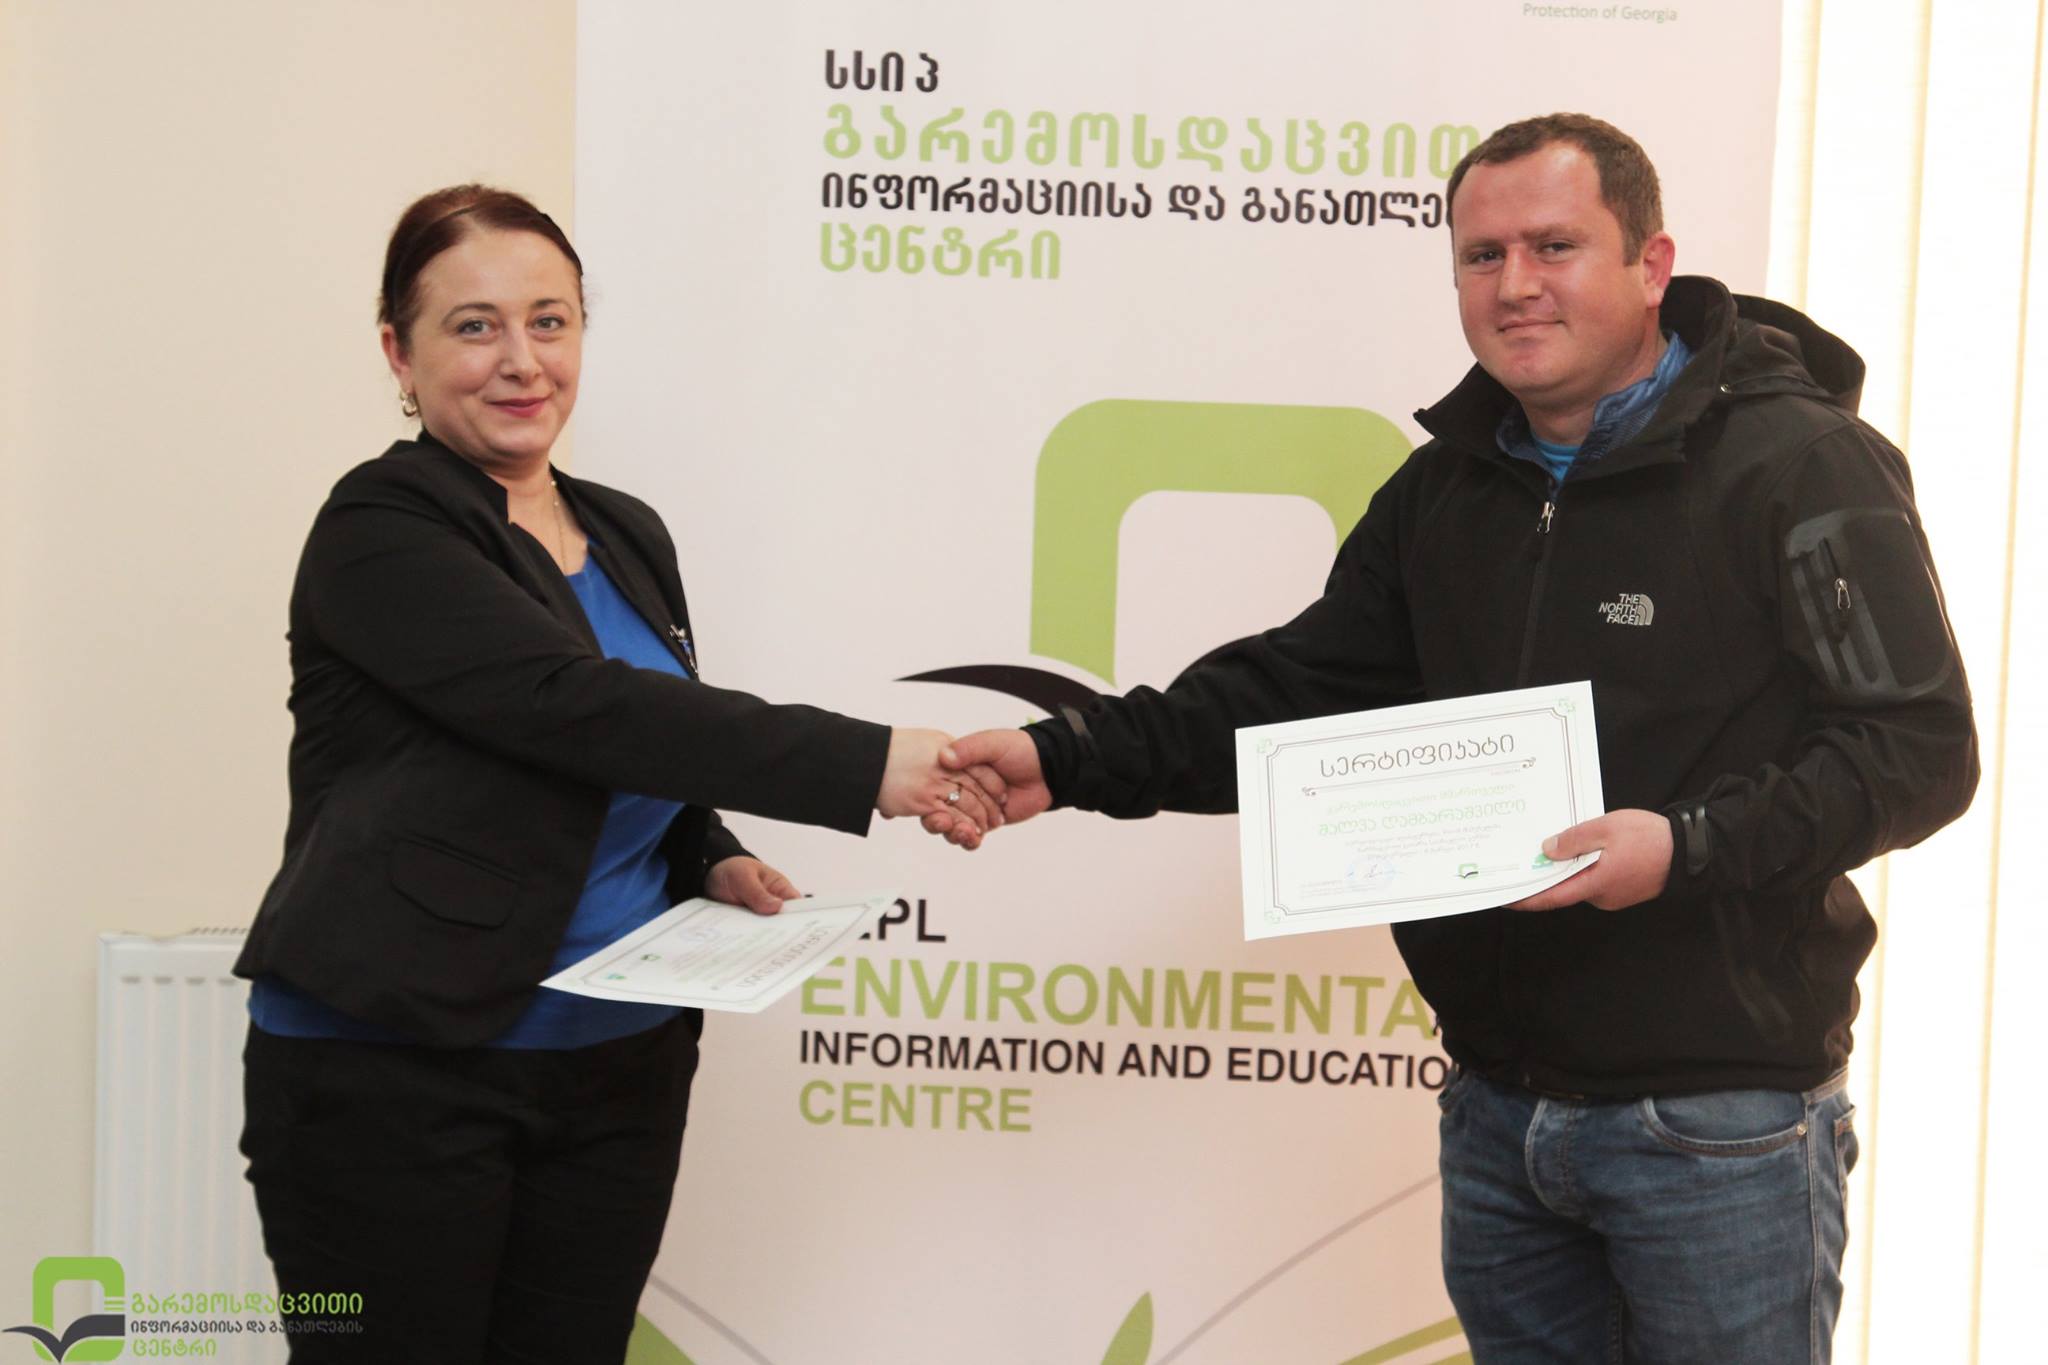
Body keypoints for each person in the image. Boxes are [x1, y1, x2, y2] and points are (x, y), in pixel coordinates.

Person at [930, 114, 1977, 1361]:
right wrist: (1065, 758)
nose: (1513, 284)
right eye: (1481, 257)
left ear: (1650, 265)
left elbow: (1917, 749)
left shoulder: (1799, 465)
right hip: (1496, 1117)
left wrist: (1682, 847)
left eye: (1553, 246)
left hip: (1713, 1124)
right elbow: (1296, 688)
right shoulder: (1444, 488)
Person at [234, 184, 1002, 1364]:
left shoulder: (626, 529)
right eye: (475, 326)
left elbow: (647, 742)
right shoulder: (380, 526)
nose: (521, 360)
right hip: (398, 1067)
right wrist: (869, 762)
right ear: (398, 351)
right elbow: (567, 705)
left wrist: (707, 848)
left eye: (549, 321)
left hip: (616, 1064)